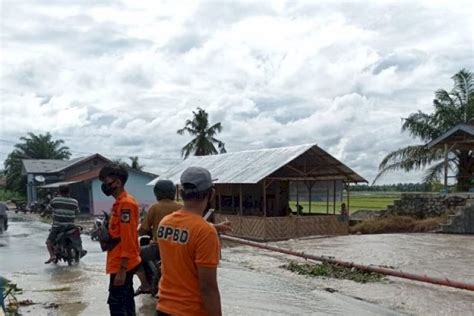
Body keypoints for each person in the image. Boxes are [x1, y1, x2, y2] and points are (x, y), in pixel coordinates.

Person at [135, 179, 231, 296]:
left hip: (158, 247)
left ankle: (144, 285)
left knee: (135, 255)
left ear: (156, 193)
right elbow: (195, 224)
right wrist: (217, 227)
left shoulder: (154, 208)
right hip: (178, 246)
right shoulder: (180, 207)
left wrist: (134, 232)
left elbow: (143, 230)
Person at [157, 167, 222, 316]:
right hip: (191, 311)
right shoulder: (205, 232)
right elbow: (208, 287)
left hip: (163, 308)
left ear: (181, 193)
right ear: (211, 194)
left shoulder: (165, 222)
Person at [99, 163, 141, 316]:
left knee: (116, 304)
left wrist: (122, 270)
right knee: (126, 300)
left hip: (122, 263)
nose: (104, 185)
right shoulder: (119, 204)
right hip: (119, 260)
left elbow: (128, 238)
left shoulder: (126, 204)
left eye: (106, 181)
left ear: (117, 182)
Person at [44, 185, 79, 264]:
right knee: (77, 236)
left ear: (59, 192)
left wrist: (43, 214)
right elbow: (77, 212)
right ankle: (80, 250)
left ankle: (52, 255)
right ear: (69, 191)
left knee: (49, 242)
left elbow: (47, 209)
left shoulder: (55, 200)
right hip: (71, 226)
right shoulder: (75, 201)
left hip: (58, 226)